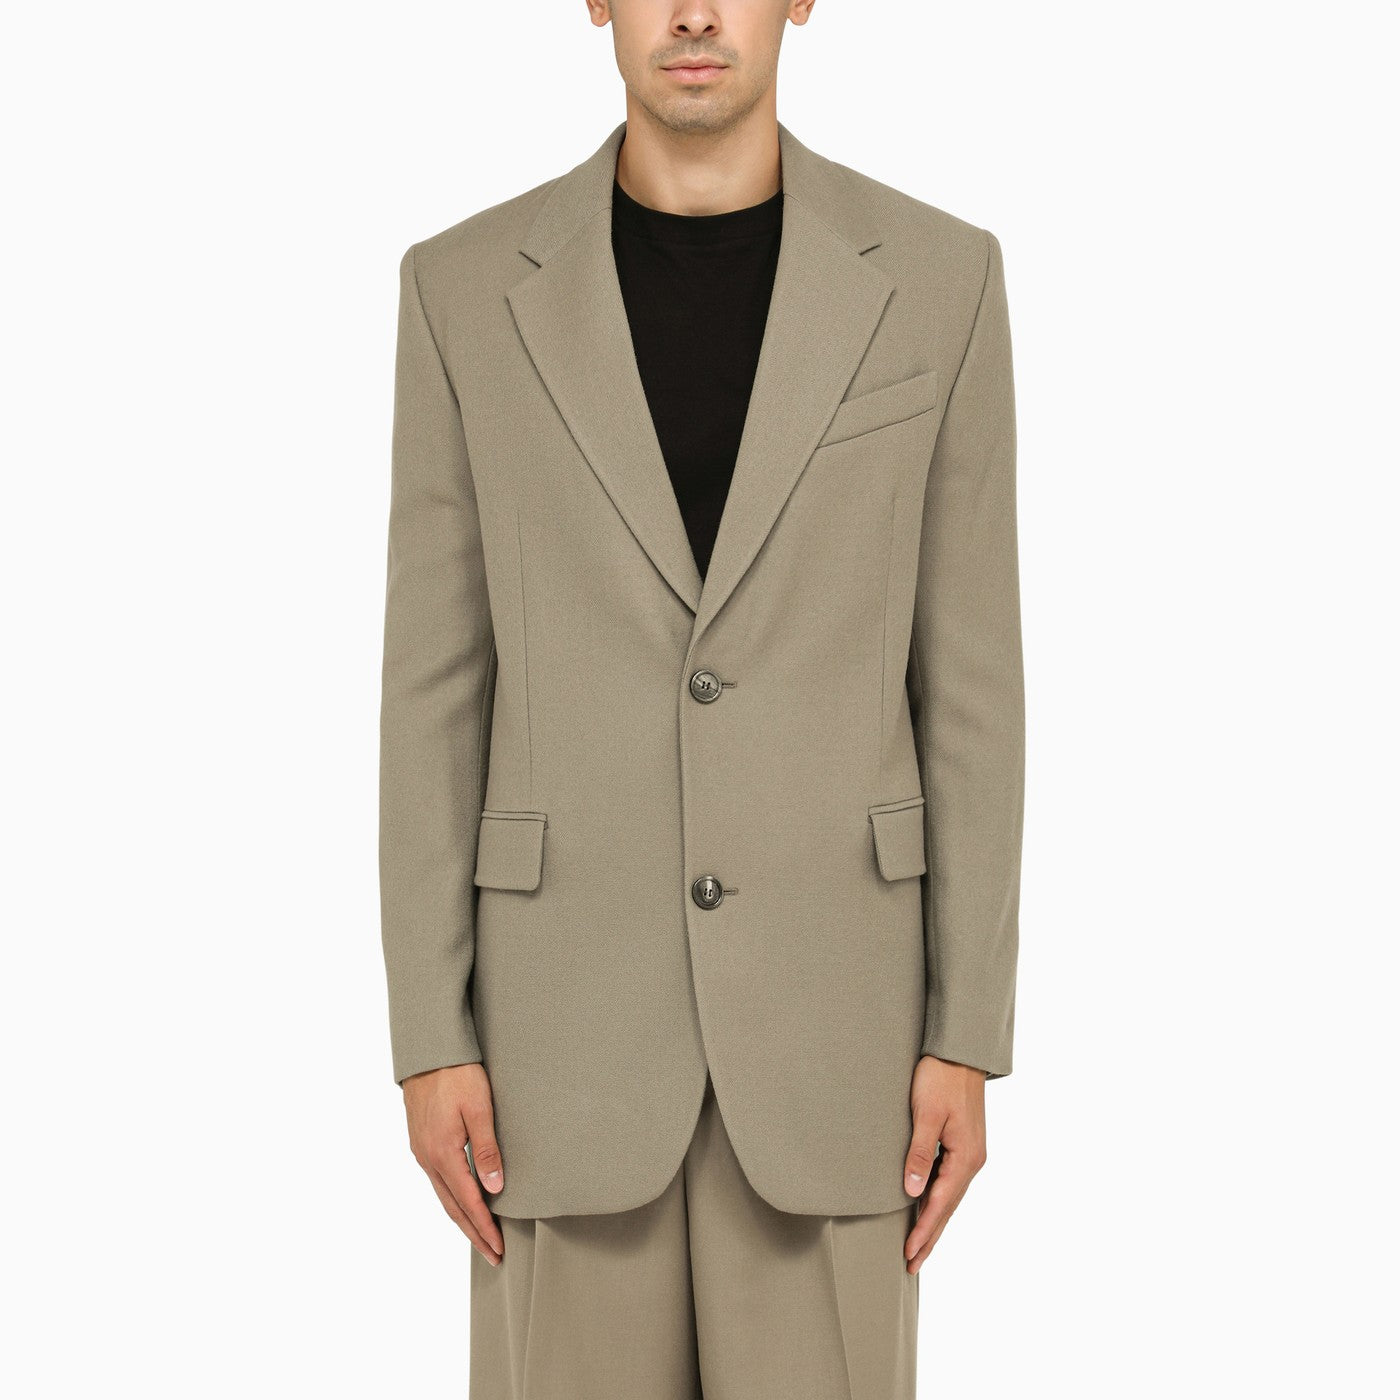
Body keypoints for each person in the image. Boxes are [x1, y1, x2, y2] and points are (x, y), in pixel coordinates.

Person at [378, 2, 1024, 1395]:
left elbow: (972, 682)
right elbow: (433, 683)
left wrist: (967, 1029)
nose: (692, 12)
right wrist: (429, 1033)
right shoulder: (462, 288)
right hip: (557, 1044)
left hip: (842, 1040)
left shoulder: (941, 278)